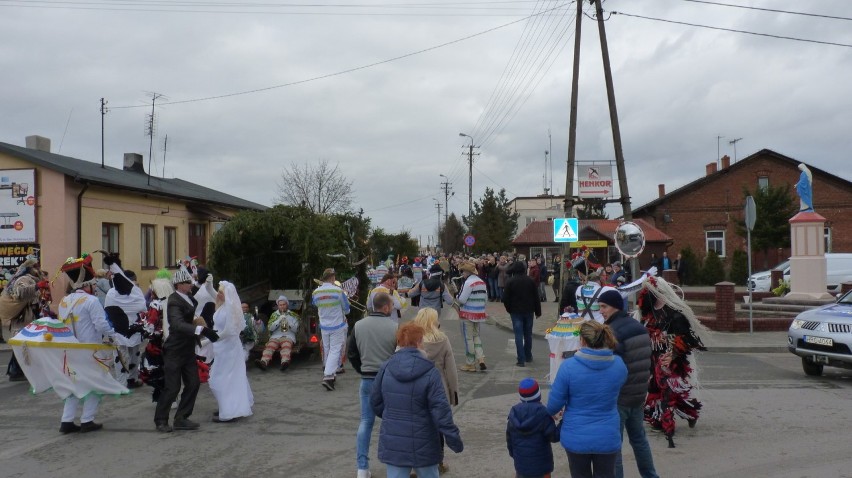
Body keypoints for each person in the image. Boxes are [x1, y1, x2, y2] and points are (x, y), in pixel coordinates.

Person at [371, 322, 464, 478]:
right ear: (419, 342)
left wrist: (392, 415)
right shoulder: (430, 372)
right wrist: (454, 439)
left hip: (394, 440)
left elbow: (375, 401)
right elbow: (441, 411)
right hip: (424, 439)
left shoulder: (386, 367)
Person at [546, 320, 627, 478]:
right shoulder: (618, 365)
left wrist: (552, 413)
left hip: (576, 436)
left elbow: (553, 405)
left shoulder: (568, 367)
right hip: (607, 434)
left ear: (582, 340)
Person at [637, 276, 706, 448]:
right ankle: (665, 418)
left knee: (668, 390)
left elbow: (686, 339)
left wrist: (674, 353)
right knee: (654, 389)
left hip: (670, 360)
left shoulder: (675, 315)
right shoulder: (647, 314)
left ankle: (670, 425)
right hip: (653, 358)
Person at [597, 290, 659, 478]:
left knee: (614, 445)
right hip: (638, 395)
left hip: (620, 396)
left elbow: (610, 367)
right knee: (639, 440)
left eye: (604, 307)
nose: (601, 311)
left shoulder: (612, 332)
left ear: (615, 306)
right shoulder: (639, 327)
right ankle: (650, 475)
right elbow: (649, 361)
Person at [154, 268, 220, 433]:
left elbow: (192, 314)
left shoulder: (189, 298)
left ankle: (181, 418)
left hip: (188, 349)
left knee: (193, 383)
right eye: (188, 282)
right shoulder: (174, 301)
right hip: (174, 349)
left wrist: (203, 327)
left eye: (190, 282)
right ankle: (161, 420)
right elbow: (177, 324)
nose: (191, 284)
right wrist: (202, 331)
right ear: (179, 285)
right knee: (172, 387)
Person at [57, 258, 117, 433]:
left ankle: (66, 421)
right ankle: (87, 420)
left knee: (73, 385)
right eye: (94, 285)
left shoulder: (63, 301)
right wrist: (114, 335)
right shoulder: (91, 301)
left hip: (70, 350)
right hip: (90, 350)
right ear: (88, 285)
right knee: (94, 385)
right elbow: (101, 324)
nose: (96, 288)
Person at [348, 292, 399, 478]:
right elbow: (399, 355)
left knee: (366, 422)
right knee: (392, 422)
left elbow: (351, 352)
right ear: (385, 307)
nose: (392, 308)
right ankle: (394, 465)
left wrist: (361, 369)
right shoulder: (395, 327)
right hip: (388, 380)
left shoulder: (359, 326)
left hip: (367, 379)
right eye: (392, 305)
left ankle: (362, 468)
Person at [413, 307, 460, 475]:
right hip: (438, 388)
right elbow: (451, 369)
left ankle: (414, 464)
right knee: (438, 426)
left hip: (415, 389)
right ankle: (438, 461)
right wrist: (453, 392)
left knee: (416, 425)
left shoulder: (412, 340)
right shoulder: (442, 339)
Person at [209, 281, 253, 422]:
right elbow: (212, 293)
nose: (219, 294)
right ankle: (226, 405)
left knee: (224, 379)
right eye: (219, 291)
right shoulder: (223, 304)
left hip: (229, 348)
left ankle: (230, 410)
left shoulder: (231, 308)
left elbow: (229, 331)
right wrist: (208, 283)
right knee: (221, 378)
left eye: (222, 292)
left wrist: (209, 339)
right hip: (221, 348)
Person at [103, 258, 147, 389]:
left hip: (123, 329)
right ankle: (130, 379)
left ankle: (124, 382)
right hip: (129, 328)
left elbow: (108, 309)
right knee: (130, 354)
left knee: (125, 355)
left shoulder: (112, 292)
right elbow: (143, 308)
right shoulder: (136, 291)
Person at [506, 377, 560, 478]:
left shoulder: (513, 413)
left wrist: (516, 457)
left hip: (521, 467)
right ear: (539, 395)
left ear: (521, 396)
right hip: (542, 467)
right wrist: (562, 422)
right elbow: (554, 437)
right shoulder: (543, 413)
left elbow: (509, 441)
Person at [312, 268, 351, 391]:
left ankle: (332, 374)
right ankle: (328, 376)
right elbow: (346, 309)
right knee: (335, 350)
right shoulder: (338, 291)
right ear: (333, 278)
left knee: (328, 349)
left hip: (324, 325)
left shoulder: (316, 292)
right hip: (337, 325)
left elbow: (315, 305)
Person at [502, 260, 541, 367]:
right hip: (529, 311)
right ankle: (528, 356)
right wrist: (538, 311)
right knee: (528, 334)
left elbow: (505, 298)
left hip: (515, 311)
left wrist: (509, 309)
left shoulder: (510, 281)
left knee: (518, 335)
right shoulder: (530, 281)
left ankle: (521, 359)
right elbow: (536, 297)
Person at [456, 261, 488, 372]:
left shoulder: (468, 283)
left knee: (468, 338)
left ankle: (470, 363)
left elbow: (461, 299)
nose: (462, 273)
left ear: (467, 272)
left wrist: (456, 294)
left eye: (463, 271)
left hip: (467, 314)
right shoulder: (481, 282)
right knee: (476, 336)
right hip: (479, 314)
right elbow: (485, 299)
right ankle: (481, 358)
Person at [255, 295, 300, 371]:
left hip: (288, 336)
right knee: (270, 347)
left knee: (286, 347)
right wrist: (278, 320)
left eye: (284, 304)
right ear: (278, 306)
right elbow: (270, 328)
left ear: (287, 305)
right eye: (280, 305)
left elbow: (296, 330)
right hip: (275, 336)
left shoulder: (293, 315)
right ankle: (263, 362)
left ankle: (284, 362)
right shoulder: (274, 315)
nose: (282, 306)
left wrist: (288, 321)